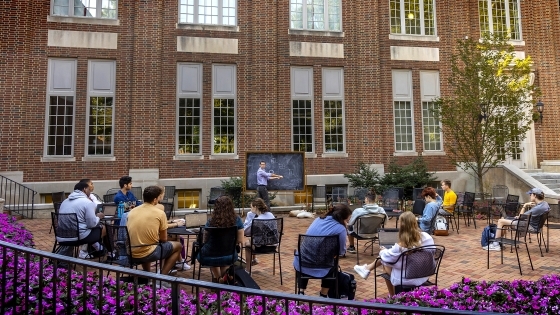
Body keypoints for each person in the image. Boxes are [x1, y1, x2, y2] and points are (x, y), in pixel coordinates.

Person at [353, 211, 435, 297]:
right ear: (415, 223)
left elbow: (385, 258)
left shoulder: (401, 246)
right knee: (390, 259)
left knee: (385, 262)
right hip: (424, 274)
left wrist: (383, 250)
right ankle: (366, 269)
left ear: (401, 226)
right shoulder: (427, 237)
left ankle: (392, 296)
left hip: (406, 278)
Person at [293, 203, 352, 297]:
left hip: (301, 262)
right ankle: (323, 294)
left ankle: (301, 291)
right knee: (333, 263)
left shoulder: (317, 220)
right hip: (323, 266)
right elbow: (341, 252)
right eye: (347, 219)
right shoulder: (341, 229)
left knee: (305, 254)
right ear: (343, 218)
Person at [127, 186, 183, 275]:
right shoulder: (160, 213)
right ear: (155, 199)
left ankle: (148, 274)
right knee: (178, 245)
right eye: (159, 197)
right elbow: (163, 239)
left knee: (147, 242)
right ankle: (162, 277)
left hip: (131, 253)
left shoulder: (132, 211)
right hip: (148, 253)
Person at [196, 195, 244, 283]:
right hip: (229, 255)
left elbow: (205, 240)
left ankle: (218, 278)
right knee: (225, 258)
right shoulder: (237, 220)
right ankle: (222, 278)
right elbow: (240, 240)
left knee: (210, 253)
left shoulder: (211, 221)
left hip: (209, 256)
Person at [484, 187, 549, 251]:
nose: (529, 196)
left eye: (530, 194)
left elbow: (521, 217)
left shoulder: (538, 208)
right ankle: (500, 242)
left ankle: (496, 244)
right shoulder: (545, 204)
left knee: (501, 221)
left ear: (535, 195)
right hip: (533, 225)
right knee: (503, 219)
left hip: (529, 226)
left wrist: (525, 205)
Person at [57, 181, 106, 258]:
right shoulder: (87, 202)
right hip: (78, 237)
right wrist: (98, 217)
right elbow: (91, 224)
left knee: (85, 228)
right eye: (89, 189)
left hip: (61, 236)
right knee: (104, 228)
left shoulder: (64, 201)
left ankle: (98, 248)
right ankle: (106, 252)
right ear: (85, 189)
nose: (90, 192)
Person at [243, 198, 276, 270]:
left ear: (255, 207)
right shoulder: (270, 214)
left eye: (251, 207)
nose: (250, 209)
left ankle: (248, 269)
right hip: (273, 245)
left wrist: (250, 217)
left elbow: (245, 231)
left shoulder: (257, 220)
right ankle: (254, 260)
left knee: (247, 244)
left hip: (262, 247)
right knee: (252, 238)